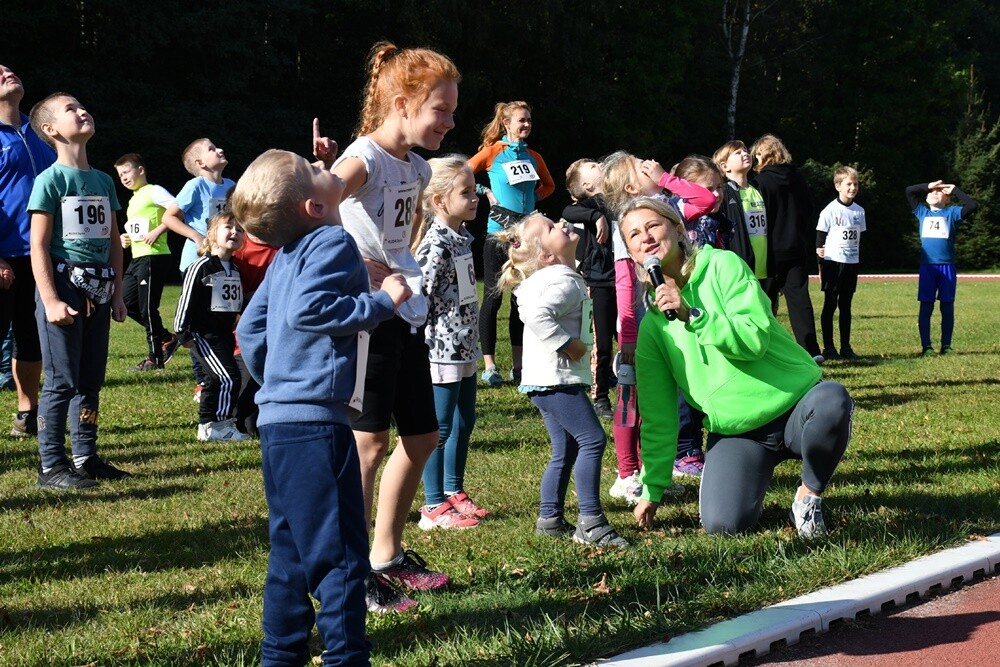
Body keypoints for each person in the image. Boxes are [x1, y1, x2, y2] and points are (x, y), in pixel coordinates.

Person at [232, 148, 412, 667]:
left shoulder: (285, 257)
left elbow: (249, 329)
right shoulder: (334, 240)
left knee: (289, 551)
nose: (327, 168)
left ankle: (281, 655)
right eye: (315, 172)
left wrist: (279, 380)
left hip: (279, 423)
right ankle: (346, 656)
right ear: (314, 206)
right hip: (317, 424)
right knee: (340, 552)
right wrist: (384, 301)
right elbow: (315, 311)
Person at [319, 41, 460, 613]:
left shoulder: (419, 166)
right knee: (368, 443)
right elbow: (319, 200)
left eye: (452, 111)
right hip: (366, 320)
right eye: (440, 111)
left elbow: (403, 232)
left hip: (403, 315)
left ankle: (386, 554)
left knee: (423, 436)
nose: (450, 122)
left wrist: (399, 270)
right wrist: (359, 265)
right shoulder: (367, 158)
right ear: (402, 104)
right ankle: (347, 573)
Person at [620, 197, 853, 538]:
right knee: (723, 526)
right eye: (634, 234)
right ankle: (751, 474)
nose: (646, 237)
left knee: (833, 400)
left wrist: (693, 315)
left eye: (653, 225)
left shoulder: (723, 266)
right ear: (631, 253)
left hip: (794, 403)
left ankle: (809, 494)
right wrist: (652, 488)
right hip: (738, 430)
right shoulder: (653, 328)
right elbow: (659, 413)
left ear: (678, 229)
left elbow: (753, 341)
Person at [497, 213, 628, 548]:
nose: (563, 223)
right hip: (556, 379)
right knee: (592, 440)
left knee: (566, 447)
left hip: (545, 380)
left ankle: (550, 519)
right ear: (546, 255)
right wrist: (570, 346)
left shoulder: (558, 276)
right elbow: (536, 315)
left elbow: (528, 305)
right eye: (553, 228)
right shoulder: (563, 281)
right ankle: (592, 522)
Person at [28, 92, 129, 489]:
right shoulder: (50, 180)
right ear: (51, 130)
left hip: (100, 291)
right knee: (61, 380)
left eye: (82, 105)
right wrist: (51, 300)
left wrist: (118, 294)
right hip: (63, 288)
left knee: (90, 379)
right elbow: (38, 243)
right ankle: (51, 465)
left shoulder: (103, 180)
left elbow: (114, 241)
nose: (82, 110)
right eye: (70, 109)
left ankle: (85, 456)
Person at [604, 151, 718, 480]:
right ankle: (638, 467)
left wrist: (667, 178)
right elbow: (625, 284)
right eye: (641, 168)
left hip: (686, 310)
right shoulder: (625, 228)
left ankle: (679, 453)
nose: (648, 164)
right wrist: (628, 335)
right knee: (645, 394)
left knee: (687, 378)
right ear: (629, 188)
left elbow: (707, 198)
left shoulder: (669, 207)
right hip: (647, 321)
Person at [412, 155, 488, 530]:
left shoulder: (461, 238)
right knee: (439, 428)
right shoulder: (436, 244)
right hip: (440, 350)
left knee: (464, 420)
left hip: (465, 347)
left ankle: (453, 490)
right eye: (466, 192)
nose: (476, 198)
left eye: (475, 191)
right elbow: (418, 297)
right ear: (440, 200)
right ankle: (431, 505)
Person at [469, 101, 554, 387]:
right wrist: (484, 191)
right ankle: (490, 365)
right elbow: (463, 173)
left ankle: (518, 367)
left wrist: (530, 205)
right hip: (498, 235)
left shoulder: (533, 156)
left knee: (522, 299)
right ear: (506, 123)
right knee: (493, 298)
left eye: (529, 120)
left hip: (525, 236)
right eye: (521, 120)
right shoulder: (493, 152)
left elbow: (549, 186)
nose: (527, 124)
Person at [1, 63, 54, 437]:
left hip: (41, 255)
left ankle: (27, 411)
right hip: (3, 257)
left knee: (29, 335)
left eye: (9, 70)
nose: (8, 73)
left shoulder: (41, 131)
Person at [161, 137, 233, 400]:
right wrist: (197, 237)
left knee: (222, 318)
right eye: (212, 149)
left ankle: (223, 369)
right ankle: (203, 381)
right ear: (200, 163)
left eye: (218, 145)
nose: (220, 149)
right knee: (197, 322)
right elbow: (169, 217)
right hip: (197, 263)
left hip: (225, 263)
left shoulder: (232, 186)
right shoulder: (196, 185)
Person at [174, 212, 250, 442]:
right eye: (228, 227)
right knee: (229, 377)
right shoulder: (200, 266)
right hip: (203, 334)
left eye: (239, 229)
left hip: (225, 334)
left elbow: (235, 303)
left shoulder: (235, 270)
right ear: (212, 235)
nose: (234, 232)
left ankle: (206, 426)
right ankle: (221, 424)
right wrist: (182, 331)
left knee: (214, 379)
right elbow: (185, 299)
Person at [750, 134, 823, 360]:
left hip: (770, 249)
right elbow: (809, 209)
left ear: (762, 155)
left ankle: (767, 348)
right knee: (799, 299)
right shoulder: (798, 178)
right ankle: (811, 349)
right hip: (796, 246)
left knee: (764, 300)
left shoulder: (760, 182)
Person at [114, 153, 180, 370]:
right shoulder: (133, 199)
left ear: (140, 170)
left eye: (126, 172)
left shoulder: (154, 190)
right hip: (137, 257)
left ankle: (155, 360)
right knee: (125, 302)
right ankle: (166, 337)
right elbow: (136, 229)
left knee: (148, 308)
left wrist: (159, 230)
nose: (123, 178)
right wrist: (125, 238)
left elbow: (178, 209)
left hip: (155, 256)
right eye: (120, 174)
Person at [562, 158, 616, 420]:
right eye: (594, 167)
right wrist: (596, 216)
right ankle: (601, 396)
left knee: (629, 337)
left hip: (625, 278)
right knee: (602, 342)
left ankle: (629, 385)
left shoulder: (617, 198)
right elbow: (568, 212)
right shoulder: (589, 205)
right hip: (600, 280)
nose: (601, 166)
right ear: (586, 184)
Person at [906, 180, 978, 355]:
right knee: (926, 306)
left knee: (947, 306)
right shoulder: (922, 211)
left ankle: (946, 345)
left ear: (947, 199)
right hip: (928, 267)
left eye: (939, 192)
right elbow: (909, 190)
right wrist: (929, 185)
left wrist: (955, 189)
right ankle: (927, 347)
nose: (933, 193)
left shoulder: (952, 213)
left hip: (947, 267)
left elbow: (972, 205)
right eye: (931, 192)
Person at [816, 166, 867, 360]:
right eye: (849, 184)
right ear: (838, 186)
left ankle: (846, 347)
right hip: (832, 263)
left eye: (855, 184)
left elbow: (860, 238)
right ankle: (828, 347)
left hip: (851, 263)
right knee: (830, 304)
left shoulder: (859, 211)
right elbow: (820, 237)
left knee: (846, 305)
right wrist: (821, 260)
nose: (853, 188)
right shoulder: (830, 210)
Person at [232, 230, 278, 437]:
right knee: (248, 425)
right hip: (247, 338)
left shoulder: (287, 244)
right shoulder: (237, 251)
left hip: (282, 335)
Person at [713, 140, 771, 284]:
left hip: (765, 269)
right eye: (738, 153)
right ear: (725, 166)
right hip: (740, 268)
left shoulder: (759, 188)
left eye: (745, 150)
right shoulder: (724, 193)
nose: (745, 154)